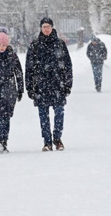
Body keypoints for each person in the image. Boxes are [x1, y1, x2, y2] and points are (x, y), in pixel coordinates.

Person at [26, 17, 73, 151]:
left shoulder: (60, 44)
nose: (46, 29)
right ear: (41, 29)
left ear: (52, 27)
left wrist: (68, 84)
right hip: (41, 86)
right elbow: (29, 68)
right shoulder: (35, 46)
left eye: (48, 26)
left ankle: (57, 138)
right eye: (44, 26)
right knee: (43, 115)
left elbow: (68, 66)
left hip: (58, 85)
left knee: (59, 112)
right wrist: (29, 86)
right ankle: (47, 141)